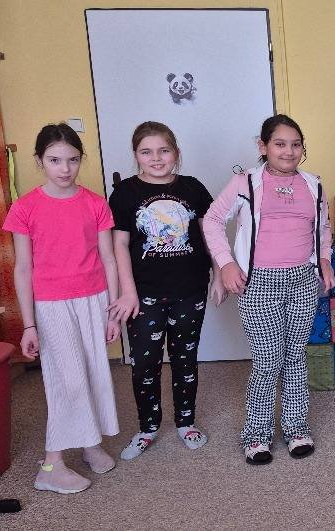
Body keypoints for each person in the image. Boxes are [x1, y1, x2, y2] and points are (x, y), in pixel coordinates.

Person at [203, 114, 335, 465]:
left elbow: (323, 228)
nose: (288, 151)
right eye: (279, 144)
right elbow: (212, 220)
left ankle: (296, 428)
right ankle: (256, 434)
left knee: (295, 356)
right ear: (263, 146)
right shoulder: (245, 182)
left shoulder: (313, 184)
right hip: (259, 281)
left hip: (302, 280)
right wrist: (225, 263)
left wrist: (324, 260)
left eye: (295, 144)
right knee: (267, 359)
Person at [3, 123, 120, 493]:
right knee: (66, 379)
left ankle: (90, 443)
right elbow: (23, 268)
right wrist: (29, 324)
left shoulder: (95, 203)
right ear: (40, 161)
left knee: (93, 372)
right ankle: (51, 465)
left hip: (94, 299)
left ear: (80, 160)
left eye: (72, 160)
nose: (65, 168)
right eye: (54, 160)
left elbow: (109, 259)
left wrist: (112, 309)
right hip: (51, 305)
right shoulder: (25, 208)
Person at [108, 121, 224, 460]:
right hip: (143, 294)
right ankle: (147, 428)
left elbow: (210, 234)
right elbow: (119, 246)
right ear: (136, 155)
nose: (156, 158)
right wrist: (127, 292)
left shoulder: (193, 188)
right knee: (145, 364)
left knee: (185, 358)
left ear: (176, 153)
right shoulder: (125, 193)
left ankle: (186, 422)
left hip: (190, 289)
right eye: (146, 152)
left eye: (164, 150)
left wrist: (219, 273)